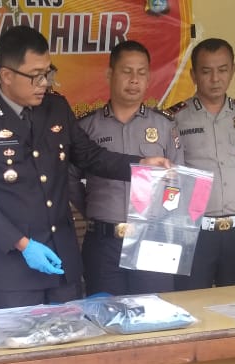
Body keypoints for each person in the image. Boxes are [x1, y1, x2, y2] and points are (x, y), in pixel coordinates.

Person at [0, 26, 170, 308]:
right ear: (6, 75)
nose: (44, 83)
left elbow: (91, 156)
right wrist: (22, 244)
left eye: (48, 72)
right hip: (14, 271)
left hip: (63, 264)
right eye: (35, 75)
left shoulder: (55, 107)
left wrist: (140, 164)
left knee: (72, 334)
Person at [71, 40, 183, 296]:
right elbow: (70, 180)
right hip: (103, 242)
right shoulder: (87, 127)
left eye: (141, 73)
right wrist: (93, 208)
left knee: (156, 311)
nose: (134, 80)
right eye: (127, 71)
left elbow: (178, 181)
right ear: (110, 74)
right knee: (106, 313)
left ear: (148, 78)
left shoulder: (165, 126)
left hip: (154, 240)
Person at [166, 38, 235, 291]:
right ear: (194, 75)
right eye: (206, 71)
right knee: (191, 302)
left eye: (222, 70)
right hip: (194, 231)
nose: (215, 79)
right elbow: (172, 173)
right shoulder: (176, 118)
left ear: (233, 70)